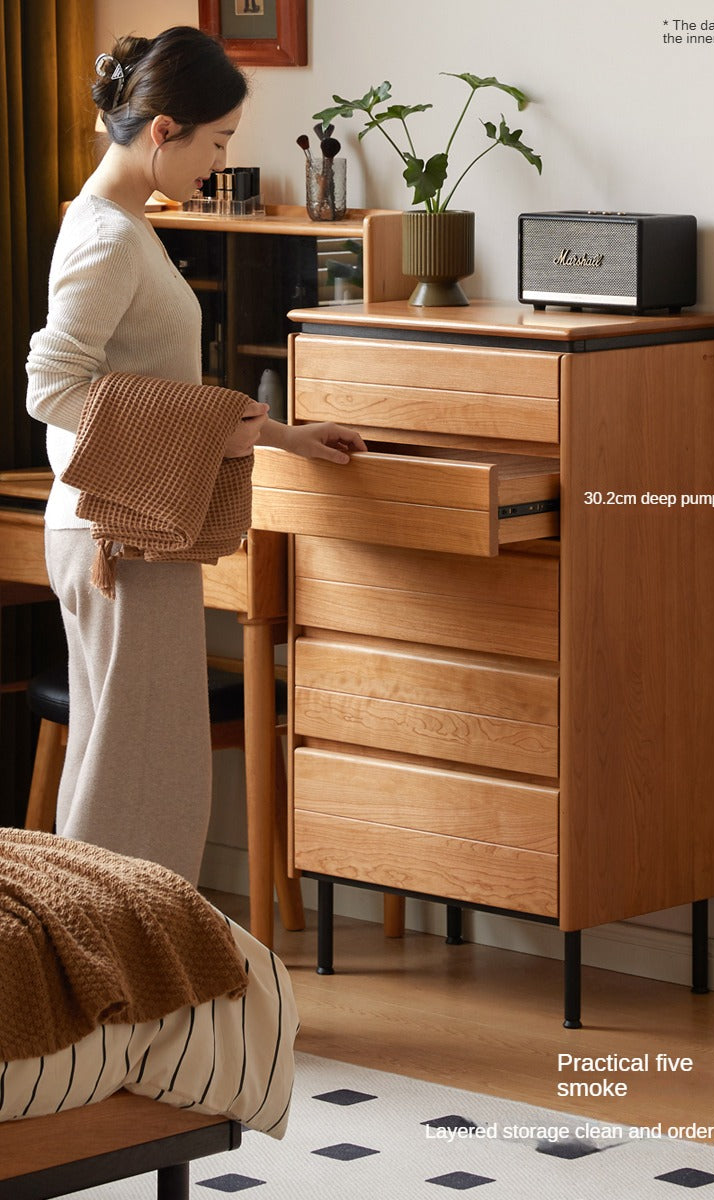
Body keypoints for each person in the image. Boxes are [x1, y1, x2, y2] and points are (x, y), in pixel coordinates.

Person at [25, 26, 365, 883]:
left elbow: (156, 388)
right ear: (164, 130)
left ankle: (111, 968)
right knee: (138, 771)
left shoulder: (121, 225)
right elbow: (50, 387)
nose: (219, 163)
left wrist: (286, 436)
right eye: (217, 142)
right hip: (118, 536)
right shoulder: (107, 238)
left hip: (125, 527)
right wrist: (204, 432)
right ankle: (119, 969)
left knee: (127, 762)